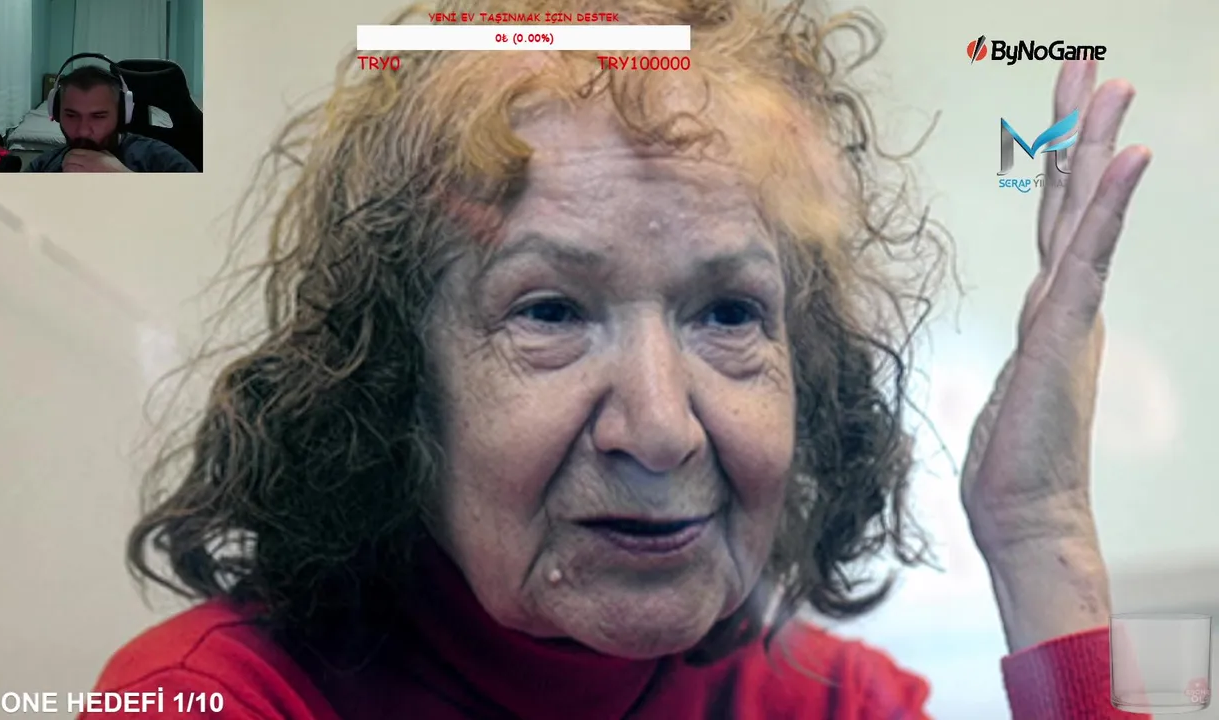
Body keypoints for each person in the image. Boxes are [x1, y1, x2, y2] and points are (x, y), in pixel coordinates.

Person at [81, 0, 1153, 717]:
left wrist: (1038, 534)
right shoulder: (213, 699)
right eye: (549, 311)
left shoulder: (835, 706)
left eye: (727, 313)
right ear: (396, 390)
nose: (659, 429)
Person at [25, 65, 197, 173]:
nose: (83, 130)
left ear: (122, 114)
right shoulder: (43, 166)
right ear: (56, 112)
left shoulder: (161, 159)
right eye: (71, 115)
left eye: (98, 116)